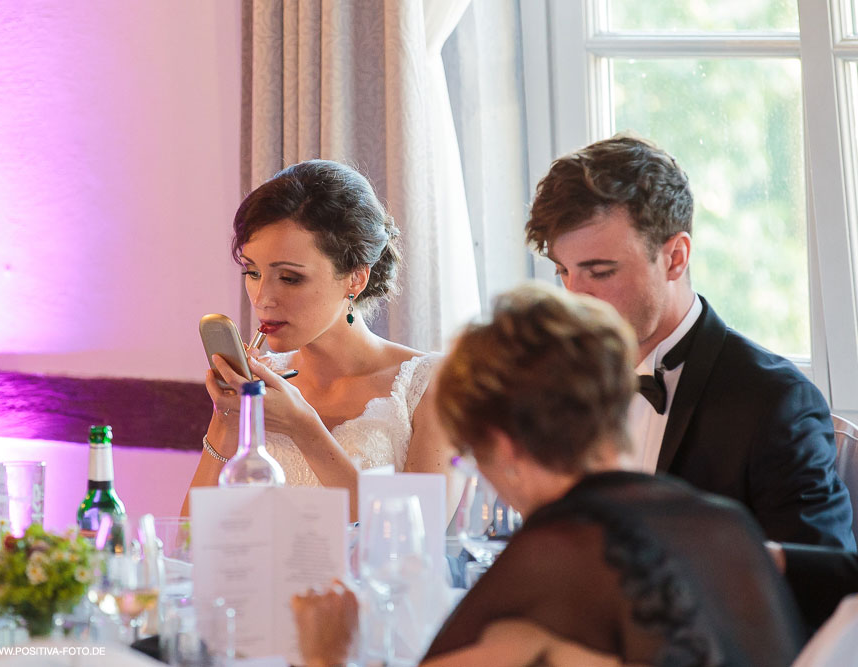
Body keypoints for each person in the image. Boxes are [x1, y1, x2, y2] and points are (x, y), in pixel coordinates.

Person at [293, 283, 805, 666]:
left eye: (475, 452)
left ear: (506, 447)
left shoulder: (558, 554)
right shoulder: (724, 524)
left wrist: (328, 654)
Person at [524, 135, 855, 549]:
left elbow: (829, 579)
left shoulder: (773, 402)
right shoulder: (560, 387)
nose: (576, 297)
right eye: (563, 272)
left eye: (601, 272)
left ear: (675, 258)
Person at [186, 160, 458, 519]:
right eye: (252, 272)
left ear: (355, 279)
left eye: (289, 278)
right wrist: (226, 421)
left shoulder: (431, 384)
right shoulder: (259, 387)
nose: (263, 298)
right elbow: (189, 544)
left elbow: (420, 541)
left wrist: (305, 430)